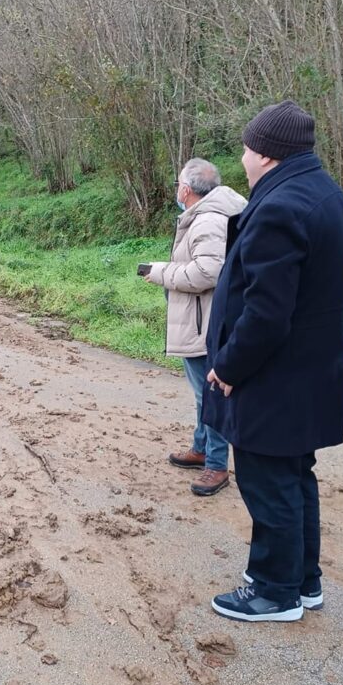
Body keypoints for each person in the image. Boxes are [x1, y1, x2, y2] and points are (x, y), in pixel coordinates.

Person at [202, 100, 343, 622]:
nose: (243, 158)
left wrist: (227, 366)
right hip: (310, 371)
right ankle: (302, 579)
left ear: (265, 154)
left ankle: (274, 591)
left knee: (267, 481)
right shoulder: (328, 195)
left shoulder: (279, 207)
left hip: (276, 376)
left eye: (246, 149)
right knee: (294, 476)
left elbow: (267, 314)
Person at [143, 158, 247, 496]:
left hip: (206, 325)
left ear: (186, 189)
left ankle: (216, 466)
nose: (177, 189)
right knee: (204, 395)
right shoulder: (212, 215)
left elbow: (207, 273)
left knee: (211, 396)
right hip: (204, 320)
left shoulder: (207, 221)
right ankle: (201, 449)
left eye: (178, 184)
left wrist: (159, 272)